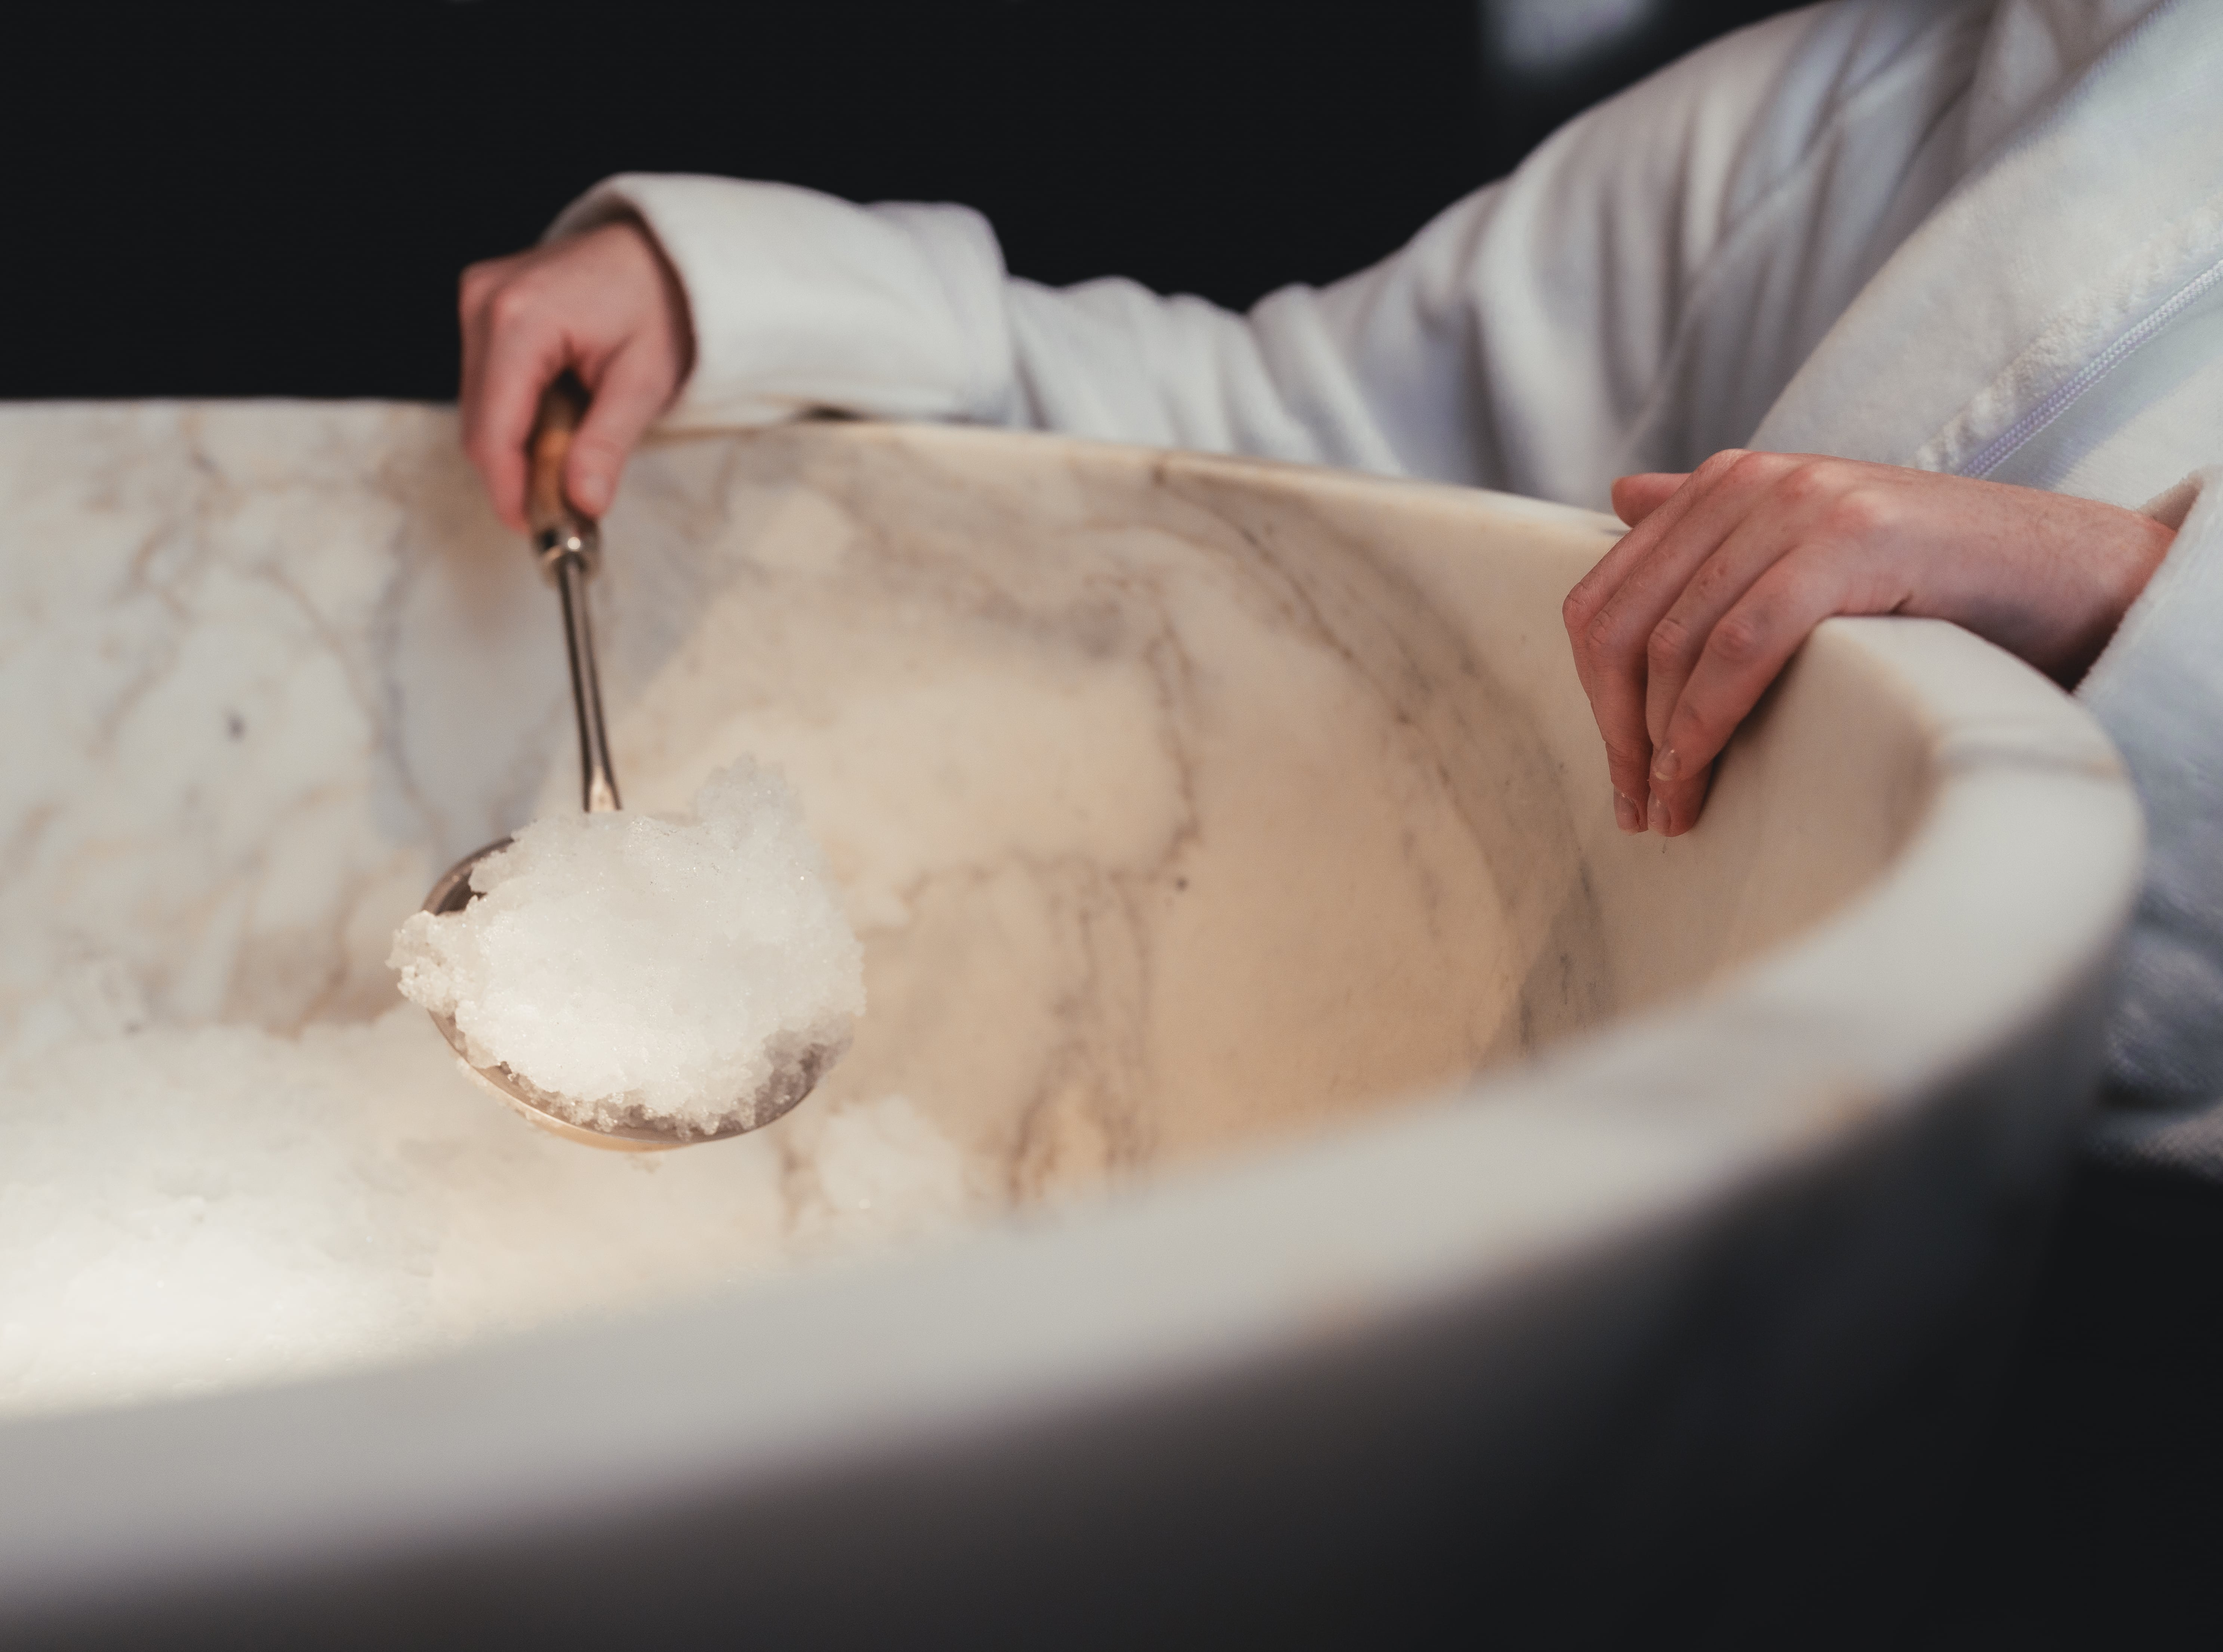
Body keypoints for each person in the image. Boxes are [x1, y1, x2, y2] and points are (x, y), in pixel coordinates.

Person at [455, 0, 2223, 1169]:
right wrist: (738, 295)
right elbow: (1289, 445)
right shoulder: (1849, 104)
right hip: (1724, 1221)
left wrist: (2118, 589)